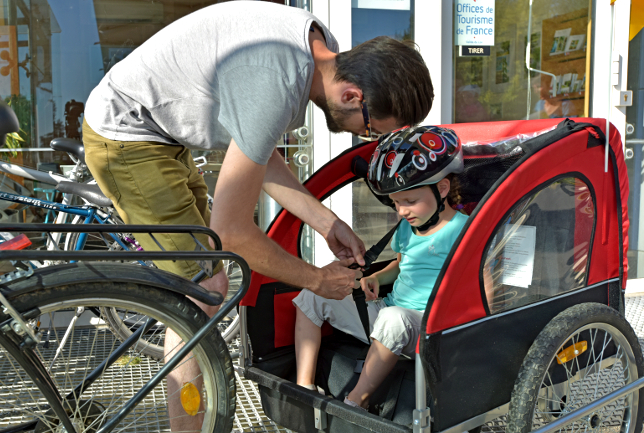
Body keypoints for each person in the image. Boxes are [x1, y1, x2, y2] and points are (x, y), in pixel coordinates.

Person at [82, 1, 433, 429]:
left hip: (164, 137)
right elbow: (231, 233)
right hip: (129, 132)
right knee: (201, 291)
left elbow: (259, 150)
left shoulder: (316, 51)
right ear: (352, 95)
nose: (364, 136)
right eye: (371, 129)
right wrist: (316, 280)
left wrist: (326, 221)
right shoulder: (278, 82)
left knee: (205, 280)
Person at [293, 126, 467, 410]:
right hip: (390, 313)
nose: (401, 211)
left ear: (443, 189)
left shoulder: (465, 230)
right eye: (396, 203)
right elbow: (402, 264)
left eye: (409, 201)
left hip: (430, 328)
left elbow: (481, 284)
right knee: (313, 294)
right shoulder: (408, 227)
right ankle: (305, 388)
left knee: (394, 320)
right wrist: (375, 276)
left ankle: (354, 402)